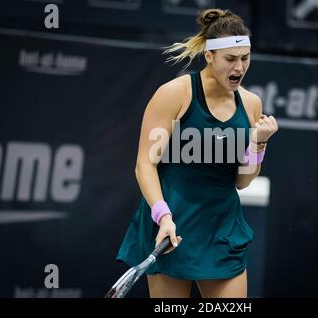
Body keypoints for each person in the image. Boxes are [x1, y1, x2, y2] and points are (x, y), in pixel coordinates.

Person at [116, 8, 278, 298]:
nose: (239, 68)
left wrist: (258, 144)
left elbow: (242, 182)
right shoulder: (174, 94)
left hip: (222, 229)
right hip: (172, 224)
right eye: (230, 59)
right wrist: (163, 216)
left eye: (245, 58)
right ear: (210, 56)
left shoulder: (251, 103)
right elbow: (144, 164)